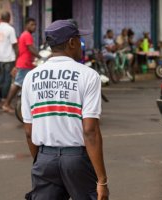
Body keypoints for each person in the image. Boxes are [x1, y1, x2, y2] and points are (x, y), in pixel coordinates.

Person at [21, 19, 109, 200]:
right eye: (78, 40)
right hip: (76, 160)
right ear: (71, 42)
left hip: (44, 158)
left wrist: (42, 161)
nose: (80, 45)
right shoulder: (88, 75)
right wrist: (102, 181)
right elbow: (90, 131)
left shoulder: (31, 77)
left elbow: (29, 132)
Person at [2, 18, 40, 113]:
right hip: (24, 64)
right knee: (17, 84)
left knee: (23, 84)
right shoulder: (27, 35)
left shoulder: (24, 35)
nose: (34, 27)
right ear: (26, 25)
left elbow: (20, 51)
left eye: (35, 25)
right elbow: (30, 48)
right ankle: (6, 104)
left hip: (26, 63)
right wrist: (40, 56)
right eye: (32, 25)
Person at [0, 11, 18, 102]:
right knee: (8, 78)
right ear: (9, 18)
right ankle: (4, 98)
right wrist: (17, 56)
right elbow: (14, 44)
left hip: (1, 57)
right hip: (9, 57)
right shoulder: (10, 29)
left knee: (2, 75)